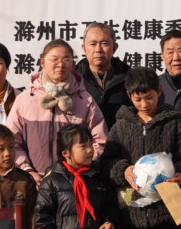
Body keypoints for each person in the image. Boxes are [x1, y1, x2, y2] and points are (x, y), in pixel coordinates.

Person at [106, 66, 181, 229]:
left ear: (159, 91)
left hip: (169, 214)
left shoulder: (174, 123)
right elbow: (108, 161)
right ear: (129, 95)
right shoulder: (120, 126)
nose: (144, 104)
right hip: (130, 215)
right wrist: (124, 170)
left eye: (149, 97)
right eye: (138, 99)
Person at [9, 40, 108, 178]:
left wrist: (80, 169)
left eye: (66, 59)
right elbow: (12, 142)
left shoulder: (85, 100)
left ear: (72, 64)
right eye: (54, 59)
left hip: (73, 181)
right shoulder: (25, 99)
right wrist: (28, 171)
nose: (60, 64)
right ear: (42, 62)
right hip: (32, 181)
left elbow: (100, 141)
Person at [35, 123, 121, 229]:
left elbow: (111, 204)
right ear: (66, 153)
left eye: (90, 144)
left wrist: (110, 221)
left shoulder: (99, 175)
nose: (90, 150)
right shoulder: (51, 181)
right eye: (83, 146)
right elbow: (43, 219)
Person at [78, 23, 133, 129]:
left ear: (114, 48)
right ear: (84, 48)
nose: (98, 49)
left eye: (104, 43)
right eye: (93, 44)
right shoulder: (74, 80)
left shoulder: (130, 77)